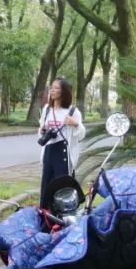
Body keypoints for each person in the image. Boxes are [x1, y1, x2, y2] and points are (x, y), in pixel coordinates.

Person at [38, 78, 86, 209]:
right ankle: (45, 214)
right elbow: (41, 127)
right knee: (46, 184)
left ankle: (65, 215)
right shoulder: (47, 109)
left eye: (56, 88)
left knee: (63, 187)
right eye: (51, 87)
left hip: (63, 153)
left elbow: (81, 134)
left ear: (64, 91)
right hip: (49, 151)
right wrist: (43, 131)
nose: (52, 91)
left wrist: (75, 124)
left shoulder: (73, 111)